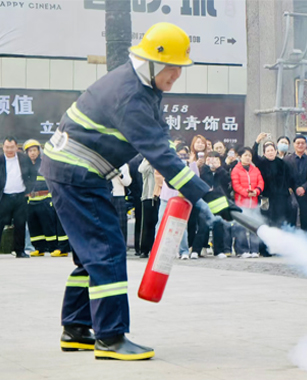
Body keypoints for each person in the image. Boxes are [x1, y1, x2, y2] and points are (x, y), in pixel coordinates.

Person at [39, 23, 235, 360]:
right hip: (77, 174)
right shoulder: (130, 95)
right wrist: (208, 197)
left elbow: (161, 136)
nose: (176, 79)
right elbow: (159, 152)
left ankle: (75, 328)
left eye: (179, 72)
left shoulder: (143, 88)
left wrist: (206, 191)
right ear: (154, 64)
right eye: (172, 72)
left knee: (91, 254)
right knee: (108, 251)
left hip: (73, 172)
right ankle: (111, 338)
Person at [23, 139, 69, 257]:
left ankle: (55, 247)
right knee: (34, 227)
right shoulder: (25, 165)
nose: (32, 153)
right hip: (31, 202)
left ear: (39, 151)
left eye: (34, 150)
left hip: (45, 200)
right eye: (30, 151)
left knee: (48, 225)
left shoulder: (45, 164)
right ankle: (39, 248)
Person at [0, 136, 36, 259]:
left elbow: (33, 174)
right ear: (3, 147)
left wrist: (29, 189)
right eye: (7, 147)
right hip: (4, 197)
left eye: (12, 147)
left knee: (20, 224)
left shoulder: (24, 159)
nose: (9, 150)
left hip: (20, 196)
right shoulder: (0, 159)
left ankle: (20, 251)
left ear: (16, 147)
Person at [252, 133, 294, 228]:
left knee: (279, 220)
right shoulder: (261, 163)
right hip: (265, 197)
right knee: (265, 219)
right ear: (264, 153)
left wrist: (289, 189)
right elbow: (253, 155)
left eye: (272, 150)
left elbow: (289, 178)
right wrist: (257, 141)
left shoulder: (283, 163)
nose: (270, 152)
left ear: (276, 151)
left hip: (280, 197)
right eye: (268, 151)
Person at [230, 147, 264, 258]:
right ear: (240, 157)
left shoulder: (255, 169)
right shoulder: (236, 170)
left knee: (255, 225)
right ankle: (242, 250)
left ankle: (255, 249)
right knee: (241, 227)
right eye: (245, 155)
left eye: (249, 155)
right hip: (241, 203)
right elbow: (236, 185)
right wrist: (246, 193)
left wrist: (256, 191)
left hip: (254, 202)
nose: (248, 158)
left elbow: (260, 182)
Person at [284, 135, 307, 232]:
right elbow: (285, 177)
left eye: (303, 143)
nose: (300, 145)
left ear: (306, 145)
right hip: (291, 193)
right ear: (294, 145)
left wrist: (304, 187)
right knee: (291, 220)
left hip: (306, 193)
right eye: (298, 143)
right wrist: (295, 187)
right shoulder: (287, 160)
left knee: (306, 220)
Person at [137, 158, 157, 259]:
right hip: (148, 196)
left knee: (158, 223)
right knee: (147, 223)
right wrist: (150, 159)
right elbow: (141, 169)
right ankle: (144, 249)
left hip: (161, 196)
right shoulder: (147, 160)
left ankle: (155, 248)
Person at [110, 163, 132, 246]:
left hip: (118, 195)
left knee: (121, 223)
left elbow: (128, 182)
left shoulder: (123, 166)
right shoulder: (104, 164)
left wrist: (120, 175)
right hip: (107, 194)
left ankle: (121, 245)